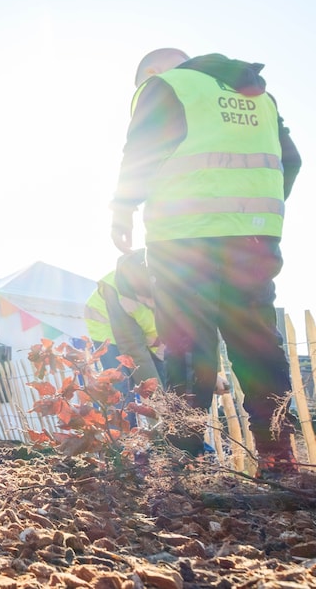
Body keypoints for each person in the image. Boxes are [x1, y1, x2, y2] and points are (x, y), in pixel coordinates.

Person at [110, 48, 302, 475]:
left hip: (184, 238)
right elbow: (291, 160)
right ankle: (278, 458)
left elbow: (141, 149)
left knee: (187, 346)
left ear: (154, 72)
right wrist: (256, 213)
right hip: (252, 237)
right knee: (257, 345)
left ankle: (179, 460)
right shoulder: (259, 96)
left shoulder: (166, 85)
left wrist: (122, 208)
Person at [83, 248, 163, 385]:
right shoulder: (115, 294)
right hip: (107, 327)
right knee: (120, 381)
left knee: (162, 376)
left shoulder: (164, 285)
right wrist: (156, 393)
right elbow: (133, 347)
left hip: (143, 330)